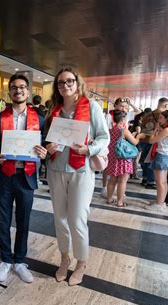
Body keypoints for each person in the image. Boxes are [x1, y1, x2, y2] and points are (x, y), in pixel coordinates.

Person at [45, 67, 109, 286]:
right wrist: (49, 147)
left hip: (81, 169)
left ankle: (81, 262)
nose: (65, 85)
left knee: (77, 219)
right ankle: (65, 258)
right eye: (61, 83)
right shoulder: (54, 110)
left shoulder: (91, 107)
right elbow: (47, 140)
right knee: (59, 218)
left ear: (77, 82)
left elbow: (104, 137)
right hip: (56, 170)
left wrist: (88, 149)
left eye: (69, 81)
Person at [0, 73, 47, 284]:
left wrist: (44, 153)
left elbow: (47, 145)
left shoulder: (39, 119)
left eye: (22, 87)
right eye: (14, 87)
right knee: (3, 221)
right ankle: (5, 260)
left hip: (26, 176)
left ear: (28, 91)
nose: (18, 90)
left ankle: (20, 261)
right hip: (4, 176)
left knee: (24, 221)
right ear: (9, 92)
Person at [101, 97, 141, 197]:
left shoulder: (125, 115)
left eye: (126, 107)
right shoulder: (109, 116)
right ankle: (105, 188)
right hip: (111, 145)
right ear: (115, 105)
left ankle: (115, 193)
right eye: (121, 106)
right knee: (110, 171)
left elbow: (138, 111)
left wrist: (130, 103)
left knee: (115, 174)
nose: (123, 108)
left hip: (122, 145)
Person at [106, 111, 144, 207]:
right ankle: (120, 202)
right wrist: (139, 136)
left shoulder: (110, 130)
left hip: (113, 157)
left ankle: (109, 199)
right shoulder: (124, 131)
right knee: (122, 181)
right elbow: (135, 142)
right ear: (123, 119)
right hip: (123, 158)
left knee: (112, 180)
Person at [140, 99, 168, 189]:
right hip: (153, 140)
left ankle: (145, 178)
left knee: (144, 160)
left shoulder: (149, 114)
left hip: (144, 139)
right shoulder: (163, 116)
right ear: (165, 105)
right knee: (150, 161)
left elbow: (142, 125)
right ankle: (150, 181)